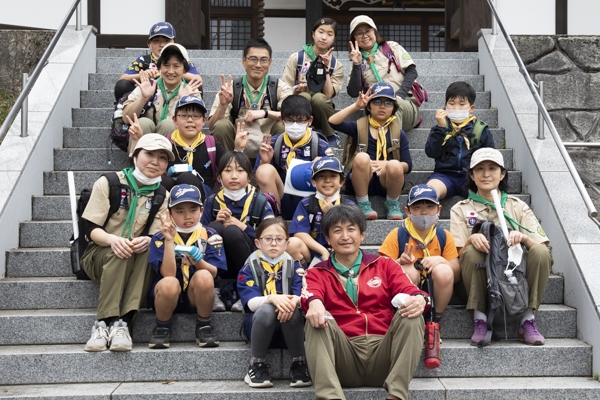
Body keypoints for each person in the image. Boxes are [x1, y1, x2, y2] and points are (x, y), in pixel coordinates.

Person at [302, 204, 429, 400]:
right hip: (344, 358)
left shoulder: (384, 265)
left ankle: (396, 395)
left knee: (412, 315)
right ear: (328, 239)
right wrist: (314, 303)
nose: (345, 236)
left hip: (384, 356)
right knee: (317, 320)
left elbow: (409, 289)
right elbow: (311, 294)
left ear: (362, 235)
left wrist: (421, 299)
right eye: (337, 231)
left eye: (351, 229)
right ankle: (331, 397)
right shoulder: (316, 273)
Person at [450, 148, 553, 346]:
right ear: (471, 175)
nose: (486, 174)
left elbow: (540, 244)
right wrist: (472, 240)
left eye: (492, 168)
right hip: (479, 281)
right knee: (472, 251)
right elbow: (456, 255)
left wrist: (523, 238)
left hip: (515, 282)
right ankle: (480, 319)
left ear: (502, 173)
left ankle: (528, 319)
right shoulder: (461, 209)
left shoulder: (517, 206)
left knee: (541, 252)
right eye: (479, 169)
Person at [81, 134, 174, 352]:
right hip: (99, 253)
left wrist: (148, 240)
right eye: (149, 154)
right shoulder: (109, 182)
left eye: (162, 158)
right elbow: (90, 229)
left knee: (146, 250)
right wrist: (113, 240)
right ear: (135, 154)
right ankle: (103, 322)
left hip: (134, 257)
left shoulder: (162, 195)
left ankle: (123, 323)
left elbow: (156, 235)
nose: (155, 161)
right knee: (120, 251)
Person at [378, 184, 459, 356]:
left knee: (444, 271)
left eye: (430, 207)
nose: (424, 213)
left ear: (439, 209)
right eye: (417, 207)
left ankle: (434, 322)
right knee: (409, 270)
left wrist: (441, 260)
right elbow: (379, 269)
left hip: (435, 289)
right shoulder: (397, 234)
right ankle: (407, 319)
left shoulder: (443, 236)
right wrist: (398, 262)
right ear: (407, 211)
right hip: (408, 290)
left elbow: (457, 274)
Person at [148, 184, 227, 349]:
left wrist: (197, 260)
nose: (187, 216)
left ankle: (204, 325)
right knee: (169, 282)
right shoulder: (159, 237)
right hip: (167, 295)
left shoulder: (211, 235)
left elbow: (213, 272)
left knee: (204, 276)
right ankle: (162, 327)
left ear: (202, 211)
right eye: (179, 211)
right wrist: (169, 240)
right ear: (169, 214)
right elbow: (167, 273)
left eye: (192, 210)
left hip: (195, 295)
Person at [237, 218, 311, 388]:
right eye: (268, 239)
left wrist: (290, 303)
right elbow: (249, 303)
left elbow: (303, 297)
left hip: (291, 330)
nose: (273, 243)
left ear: (287, 243)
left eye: (279, 239)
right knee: (266, 310)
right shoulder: (249, 267)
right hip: (259, 328)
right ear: (257, 242)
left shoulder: (295, 266)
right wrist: (272, 299)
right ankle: (256, 364)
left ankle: (299, 364)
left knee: (292, 309)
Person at [201, 151, 275, 311]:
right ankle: (212, 290)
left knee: (232, 231)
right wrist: (214, 224)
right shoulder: (212, 202)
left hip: (251, 260)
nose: (234, 176)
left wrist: (244, 228)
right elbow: (197, 238)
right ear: (219, 177)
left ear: (249, 177)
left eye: (240, 171)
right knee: (214, 228)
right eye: (228, 171)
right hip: (219, 265)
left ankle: (247, 290)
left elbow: (272, 239)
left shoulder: (261, 201)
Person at [329, 82, 411, 220]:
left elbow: (408, 165)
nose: (382, 106)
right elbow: (332, 122)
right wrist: (356, 106)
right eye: (377, 101)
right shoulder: (359, 126)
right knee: (362, 157)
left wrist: (386, 164)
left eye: (388, 103)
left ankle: (392, 203)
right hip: (361, 178)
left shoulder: (399, 133)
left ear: (393, 108)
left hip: (387, 181)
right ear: (369, 105)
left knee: (396, 164)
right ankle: (363, 203)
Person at [208, 38, 293, 160]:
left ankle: (277, 165)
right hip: (237, 144)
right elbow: (212, 126)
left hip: (269, 144)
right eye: (253, 59)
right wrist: (222, 106)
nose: (258, 65)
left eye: (263, 60)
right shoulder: (231, 88)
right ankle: (229, 165)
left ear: (270, 62)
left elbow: (293, 115)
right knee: (221, 125)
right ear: (243, 61)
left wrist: (265, 113)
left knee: (284, 125)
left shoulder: (279, 87)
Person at [254, 94, 333, 219]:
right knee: (264, 170)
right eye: (290, 120)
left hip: (309, 197)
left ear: (310, 121)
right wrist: (265, 161)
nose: (295, 125)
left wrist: (322, 166)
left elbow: (335, 180)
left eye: (301, 120)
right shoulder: (273, 143)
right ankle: (274, 218)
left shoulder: (319, 144)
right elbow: (257, 181)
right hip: (282, 196)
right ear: (281, 120)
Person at [346, 15, 420, 131]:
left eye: (368, 31)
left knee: (393, 106)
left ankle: (394, 147)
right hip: (376, 106)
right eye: (359, 33)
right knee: (368, 120)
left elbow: (412, 71)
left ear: (374, 31)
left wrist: (399, 95)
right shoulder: (357, 60)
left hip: (404, 101)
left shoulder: (391, 47)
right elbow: (353, 92)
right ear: (354, 38)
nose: (364, 36)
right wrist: (356, 64)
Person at [425, 81, 495, 200]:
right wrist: (441, 128)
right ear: (445, 106)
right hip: (443, 176)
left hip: (472, 176)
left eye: (462, 104)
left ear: (471, 108)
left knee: (487, 198)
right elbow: (431, 152)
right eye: (451, 103)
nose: (456, 108)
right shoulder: (440, 127)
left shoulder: (481, 129)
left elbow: (491, 158)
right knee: (428, 194)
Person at [281, 18, 344, 147]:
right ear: (313, 34)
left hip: (322, 112)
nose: (324, 37)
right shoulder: (297, 58)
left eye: (329, 34)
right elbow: (284, 87)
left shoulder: (336, 65)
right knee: (304, 97)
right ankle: (300, 132)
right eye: (320, 32)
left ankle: (331, 134)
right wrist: (294, 90)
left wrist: (326, 69)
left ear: (334, 39)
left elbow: (328, 94)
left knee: (319, 98)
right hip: (297, 112)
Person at [122, 43, 202, 137]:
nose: (171, 71)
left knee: (168, 125)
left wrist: (183, 100)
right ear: (159, 67)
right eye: (166, 65)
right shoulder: (148, 85)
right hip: (145, 143)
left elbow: (195, 126)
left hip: (175, 145)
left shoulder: (191, 90)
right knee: (143, 122)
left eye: (176, 66)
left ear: (184, 70)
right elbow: (126, 119)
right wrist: (143, 98)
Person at [288, 156, 354, 265]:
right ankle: (303, 274)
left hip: (341, 251)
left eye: (333, 176)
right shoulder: (306, 203)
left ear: (342, 182)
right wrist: (323, 251)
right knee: (292, 243)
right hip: (313, 252)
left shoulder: (349, 205)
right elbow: (299, 233)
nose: (327, 180)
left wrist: (331, 214)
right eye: (322, 176)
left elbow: (352, 233)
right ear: (313, 182)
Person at [113, 22, 203, 102]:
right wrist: (144, 75)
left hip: (174, 96)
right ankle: (125, 114)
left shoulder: (182, 59)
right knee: (122, 86)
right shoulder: (143, 60)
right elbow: (123, 78)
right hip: (148, 97)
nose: (162, 45)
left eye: (167, 41)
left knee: (196, 86)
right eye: (156, 41)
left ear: (174, 42)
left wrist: (166, 74)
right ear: (149, 45)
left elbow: (198, 80)